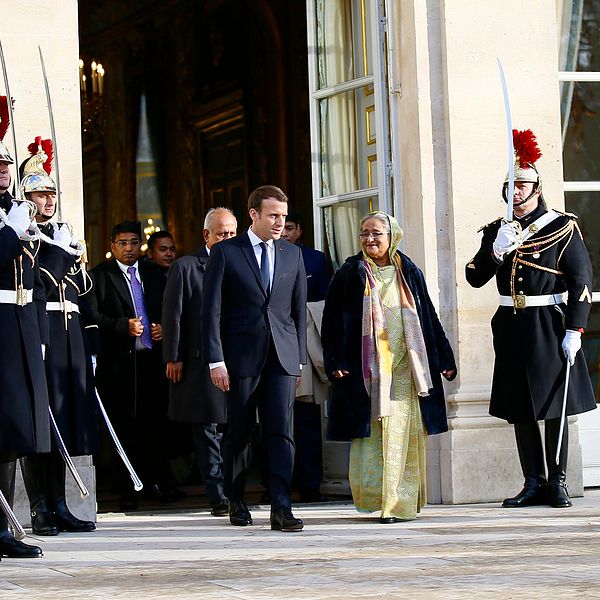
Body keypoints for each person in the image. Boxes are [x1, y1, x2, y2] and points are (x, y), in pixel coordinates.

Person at [466, 129, 596, 509]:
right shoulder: (497, 229)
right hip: (510, 321)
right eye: (511, 185)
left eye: (523, 184)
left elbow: (581, 281)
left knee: (554, 404)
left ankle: (557, 481)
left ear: (537, 188)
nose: (516, 191)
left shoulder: (562, 226)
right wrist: (495, 251)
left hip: (549, 320)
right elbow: (474, 276)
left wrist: (575, 328)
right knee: (519, 405)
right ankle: (533, 481)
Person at [322, 211, 457, 523]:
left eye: (376, 233)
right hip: (368, 374)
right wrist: (336, 361)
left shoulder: (409, 271)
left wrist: (445, 358)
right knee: (375, 437)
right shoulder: (349, 273)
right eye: (364, 233)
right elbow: (331, 323)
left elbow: (428, 318)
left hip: (405, 370)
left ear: (392, 237)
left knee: (403, 436)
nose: (369, 239)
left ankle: (400, 504)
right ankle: (378, 500)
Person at [202, 185, 307, 532]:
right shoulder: (227, 252)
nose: (280, 223)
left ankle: (282, 506)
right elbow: (211, 311)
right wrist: (216, 360)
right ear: (254, 215)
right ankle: (236, 499)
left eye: (283, 216)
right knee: (239, 432)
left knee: (282, 432)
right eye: (273, 215)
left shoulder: (292, 254)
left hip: (282, 357)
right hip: (239, 357)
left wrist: (300, 361)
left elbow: (296, 312)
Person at [17, 138, 97, 535]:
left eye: (50, 193)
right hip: (42, 326)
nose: (47, 200)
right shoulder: (25, 232)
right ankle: (40, 507)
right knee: (41, 424)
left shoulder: (59, 232)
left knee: (65, 421)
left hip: (69, 333)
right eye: (39, 193)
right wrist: (62, 254)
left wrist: (77, 257)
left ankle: (62, 503)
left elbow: (81, 288)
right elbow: (42, 282)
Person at [90, 221, 173, 509]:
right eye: (123, 243)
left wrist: (164, 329)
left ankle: (159, 483)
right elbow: (91, 318)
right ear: (112, 246)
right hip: (118, 365)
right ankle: (128, 488)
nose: (129, 248)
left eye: (134, 242)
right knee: (123, 428)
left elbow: (170, 309)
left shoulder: (154, 273)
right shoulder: (99, 276)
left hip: (152, 362)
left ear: (142, 245)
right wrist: (120, 326)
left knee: (156, 425)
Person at [162, 207, 237, 517]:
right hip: (197, 362)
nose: (228, 239)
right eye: (222, 234)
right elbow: (173, 315)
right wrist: (173, 356)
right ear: (207, 235)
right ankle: (218, 494)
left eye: (233, 233)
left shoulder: (244, 263)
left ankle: (236, 489)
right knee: (208, 430)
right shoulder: (186, 267)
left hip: (236, 361)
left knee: (236, 428)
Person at [0, 124, 49, 558]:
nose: (2, 170)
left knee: (14, 428)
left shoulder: (15, 210)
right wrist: (11, 234)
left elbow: (32, 281)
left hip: (19, 323)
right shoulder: (11, 220)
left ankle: (3, 526)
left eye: (5, 165)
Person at [282, 212, 333, 502]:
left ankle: (311, 485)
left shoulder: (314, 259)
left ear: (299, 230)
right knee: (275, 420)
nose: (285, 232)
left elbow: (327, 300)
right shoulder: (262, 255)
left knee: (307, 419)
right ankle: (277, 483)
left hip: (305, 343)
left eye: (290, 226)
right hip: (273, 344)